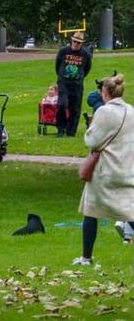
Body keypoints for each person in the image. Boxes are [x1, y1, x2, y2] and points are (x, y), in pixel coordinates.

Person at [74, 73, 134, 266]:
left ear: (105, 92)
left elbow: (92, 141)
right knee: (129, 211)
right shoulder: (131, 110)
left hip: (105, 169)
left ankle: (86, 258)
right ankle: (126, 227)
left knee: (90, 211)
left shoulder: (104, 111)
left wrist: (90, 127)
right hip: (126, 167)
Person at [55, 31, 93, 138]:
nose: (76, 44)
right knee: (62, 104)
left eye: (79, 43)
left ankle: (71, 132)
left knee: (75, 109)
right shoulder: (63, 51)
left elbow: (87, 69)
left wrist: (79, 77)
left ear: (82, 44)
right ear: (71, 41)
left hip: (77, 85)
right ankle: (61, 129)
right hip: (64, 83)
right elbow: (57, 66)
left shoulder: (85, 54)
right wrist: (61, 77)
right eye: (75, 42)